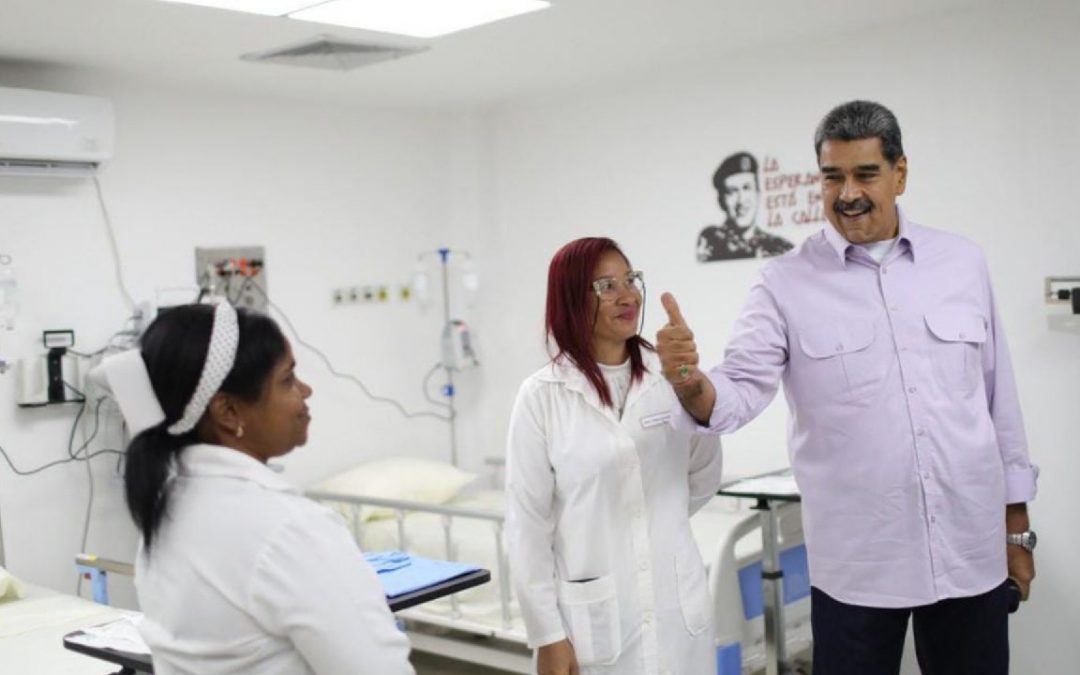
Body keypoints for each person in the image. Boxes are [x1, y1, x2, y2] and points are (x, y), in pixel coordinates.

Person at [659, 100, 1038, 675]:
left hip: (968, 550)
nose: (848, 193)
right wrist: (688, 380)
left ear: (900, 174)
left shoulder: (962, 263)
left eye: (866, 174)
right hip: (858, 569)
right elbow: (738, 391)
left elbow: (998, 404)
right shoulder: (784, 283)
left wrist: (1017, 531)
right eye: (832, 177)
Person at [104, 301, 414, 675]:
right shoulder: (288, 528)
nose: (306, 390)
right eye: (287, 380)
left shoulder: (167, 509)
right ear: (228, 412)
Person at [505, 237, 723, 675]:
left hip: (676, 611)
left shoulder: (670, 376)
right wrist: (547, 636)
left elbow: (703, 476)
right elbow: (527, 526)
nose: (628, 296)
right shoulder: (542, 396)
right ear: (571, 299)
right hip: (595, 626)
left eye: (630, 280)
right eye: (606, 286)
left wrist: (689, 384)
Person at [696, 151, 793, 262]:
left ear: (758, 193)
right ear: (721, 200)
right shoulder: (710, 241)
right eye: (732, 191)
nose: (741, 200)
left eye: (747, 188)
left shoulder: (781, 247)